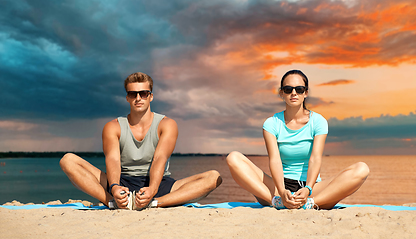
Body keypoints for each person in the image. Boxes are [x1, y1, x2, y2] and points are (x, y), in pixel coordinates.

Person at [60, 72, 222, 209]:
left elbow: (160, 158)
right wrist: (114, 187)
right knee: (68, 160)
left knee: (213, 177)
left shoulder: (167, 124)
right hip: (122, 182)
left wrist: (152, 189)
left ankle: (155, 203)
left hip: (157, 183)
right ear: (127, 98)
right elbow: (113, 159)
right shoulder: (113, 126)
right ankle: (111, 202)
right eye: (133, 94)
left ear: (150, 96)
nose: (138, 98)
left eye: (143, 93)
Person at [226, 69, 369, 209]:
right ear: (281, 93)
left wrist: (308, 189)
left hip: (311, 189)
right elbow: (274, 160)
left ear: (305, 93)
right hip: (278, 188)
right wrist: (282, 192)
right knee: (233, 158)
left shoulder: (318, 121)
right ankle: (275, 202)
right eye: (288, 89)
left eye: (299, 89)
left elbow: (315, 159)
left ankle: (310, 204)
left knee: (362, 169)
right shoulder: (271, 123)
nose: (293, 93)